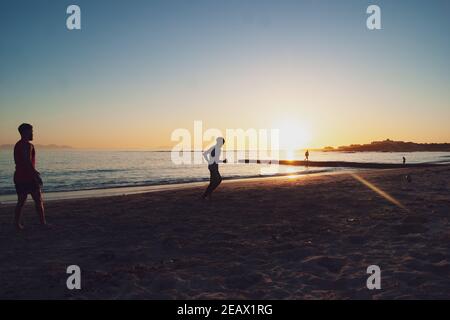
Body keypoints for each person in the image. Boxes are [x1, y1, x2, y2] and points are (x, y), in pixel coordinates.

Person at [13, 123, 47, 230]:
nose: (32, 133)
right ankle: (43, 223)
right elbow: (27, 161)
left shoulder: (18, 144)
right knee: (38, 200)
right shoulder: (26, 145)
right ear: (25, 132)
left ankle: (16, 224)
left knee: (21, 202)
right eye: (31, 131)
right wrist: (36, 175)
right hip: (28, 178)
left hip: (19, 177)